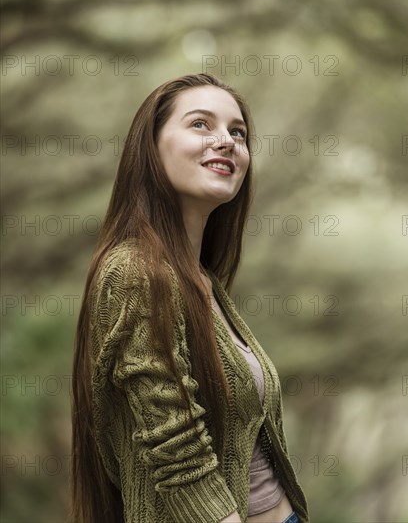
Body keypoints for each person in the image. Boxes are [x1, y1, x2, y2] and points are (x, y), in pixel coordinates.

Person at [69, 73, 309, 523]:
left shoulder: (204, 282)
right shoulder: (135, 272)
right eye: (201, 124)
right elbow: (176, 447)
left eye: (237, 132)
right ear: (151, 147)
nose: (226, 141)